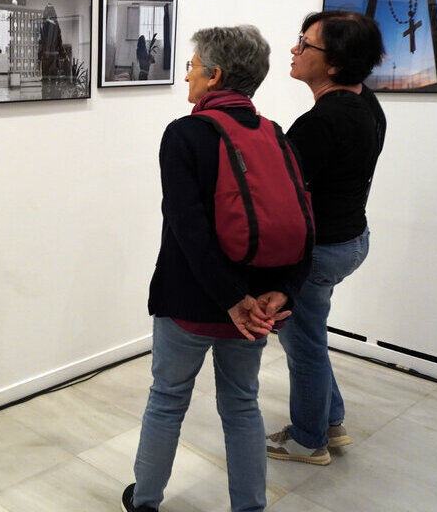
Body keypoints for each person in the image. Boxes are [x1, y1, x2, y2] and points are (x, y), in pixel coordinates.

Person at [123, 25, 304, 512]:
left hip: (190, 301)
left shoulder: (184, 134)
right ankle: (250, 506)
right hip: (257, 304)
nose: (187, 77)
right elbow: (303, 222)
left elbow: (187, 229)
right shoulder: (274, 134)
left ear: (215, 75)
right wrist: (280, 293)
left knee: (167, 401)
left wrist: (229, 300)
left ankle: (145, 501)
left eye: (192, 66)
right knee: (242, 406)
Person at [265, 11, 386, 465]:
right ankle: (331, 422)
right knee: (312, 336)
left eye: (305, 44)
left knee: (304, 347)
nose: (294, 51)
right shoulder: (367, 103)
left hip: (321, 250)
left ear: (333, 64)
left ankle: (307, 439)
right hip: (352, 239)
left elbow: (282, 199)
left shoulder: (321, 123)